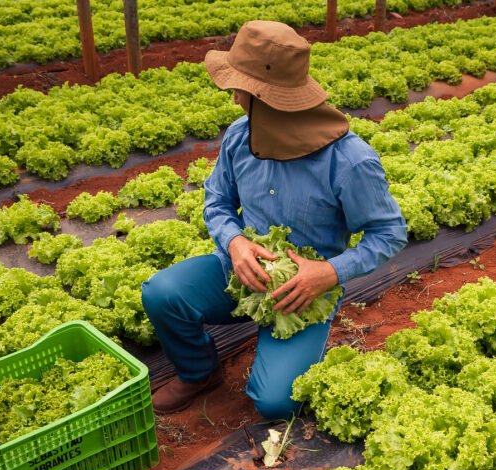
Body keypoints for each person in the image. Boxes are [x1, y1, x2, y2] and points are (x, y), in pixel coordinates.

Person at [141, 20, 407, 418]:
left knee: (275, 403)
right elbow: (216, 201)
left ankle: (289, 350)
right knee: (163, 293)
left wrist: (328, 273)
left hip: (303, 293)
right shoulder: (238, 137)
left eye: (241, 90)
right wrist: (234, 242)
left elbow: (389, 233)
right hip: (239, 271)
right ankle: (199, 372)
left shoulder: (350, 161)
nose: (234, 100)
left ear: (272, 98)